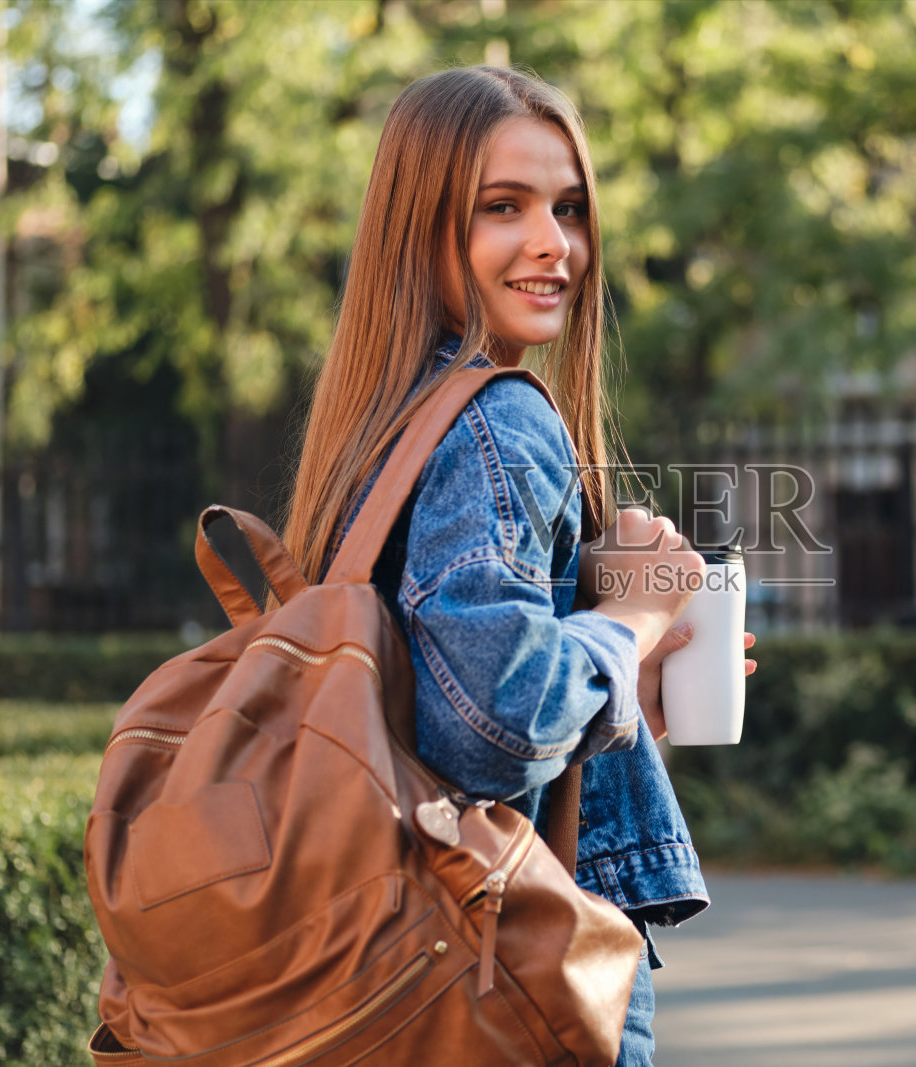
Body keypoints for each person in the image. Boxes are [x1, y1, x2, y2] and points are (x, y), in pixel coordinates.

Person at [280, 66, 756, 1066]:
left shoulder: (381, 425)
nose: (555, 243)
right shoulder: (499, 416)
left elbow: (429, 712)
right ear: (422, 226)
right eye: (504, 207)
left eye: (569, 209)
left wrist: (626, 694)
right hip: (509, 981)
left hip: (390, 977)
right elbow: (497, 720)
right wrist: (628, 617)